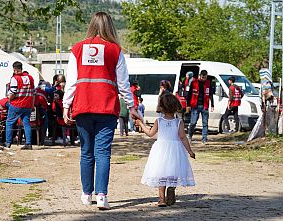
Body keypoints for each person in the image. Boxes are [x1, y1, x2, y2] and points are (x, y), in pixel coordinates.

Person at [62, 11, 140, 210]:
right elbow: (123, 84)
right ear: (110, 27)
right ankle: (102, 196)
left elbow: (71, 81)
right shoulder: (115, 50)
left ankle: (87, 194)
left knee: (86, 152)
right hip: (106, 107)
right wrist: (132, 107)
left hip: (83, 106)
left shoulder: (77, 49)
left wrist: (65, 105)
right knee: (103, 152)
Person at [136, 93, 195, 207]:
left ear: (161, 107)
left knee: (161, 173)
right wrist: (190, 151)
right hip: (175, 150)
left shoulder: (159, 121)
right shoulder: (179, 122)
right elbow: (183, 138)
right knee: (173, 171)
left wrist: (141, 124)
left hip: (161, 150)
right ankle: (171, 188)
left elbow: (150, 133)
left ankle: (162, 199)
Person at [5, 61, 35, 150]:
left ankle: (8, 142)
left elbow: (13, 93)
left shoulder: (15, 78)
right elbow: (33, 93)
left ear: (14, 69)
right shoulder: (30, 78)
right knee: (26, 124)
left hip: (16, 104)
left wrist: (9, 99)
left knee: (9, 122)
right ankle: (28, 144)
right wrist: (32, 105)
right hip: (28, 105)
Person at [186, 70, 214, 144]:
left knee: (205, 123)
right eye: (202, 77)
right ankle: (190, 136)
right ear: (200, 76)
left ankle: (204, 139)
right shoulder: (194, 82)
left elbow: (211, 94)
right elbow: (189, 94)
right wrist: (188, 105)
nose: (204, 79)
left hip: (205, 106)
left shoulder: (208, 83)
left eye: (205, 77)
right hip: (195, 106)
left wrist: (212, 105)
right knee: (193, 122)